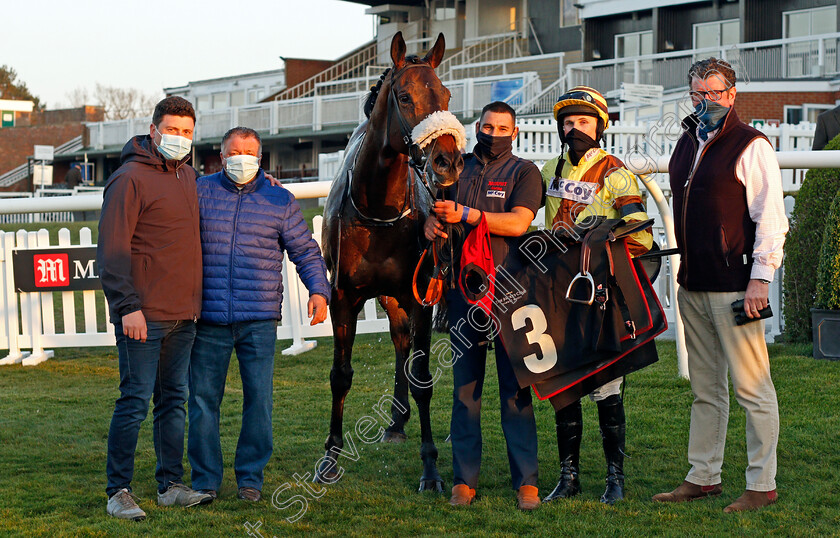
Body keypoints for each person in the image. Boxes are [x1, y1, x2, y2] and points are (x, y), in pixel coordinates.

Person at [653, 57, 788, 513]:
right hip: (692, 283)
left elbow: (771, 221)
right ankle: (704, 475)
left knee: (753, 388)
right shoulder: (687, 139)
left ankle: (761, 483)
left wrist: (760, 282)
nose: (704, 101)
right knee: (705, 389)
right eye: (696, 93)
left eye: (713, 93)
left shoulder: (752, 145)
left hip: (736, 285)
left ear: (731, 94)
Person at [187, 127, 330, 503]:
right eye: (234, 152)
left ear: (260, 158)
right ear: (222, 157)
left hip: (259, 319)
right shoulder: (199, 191)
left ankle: (251, 477)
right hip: (208, 318)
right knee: (202, 401)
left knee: (259, 400)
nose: (241, 158)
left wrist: (319, 290)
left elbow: (305, 250)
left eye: (249, 153)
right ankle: (205, 480)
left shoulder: (279, 200)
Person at [424, 101, 544, 511]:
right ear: (477, 127)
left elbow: (517, 223)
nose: (494, 133)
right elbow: (438, 213)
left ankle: (526, 482)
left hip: (511, 291)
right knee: (465, 390)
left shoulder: (525, 172)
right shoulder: (457, 166)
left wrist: (468, 214)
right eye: (488, 126)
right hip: (463, 291)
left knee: (516, 390)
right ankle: (464, 481)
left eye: (503, 128)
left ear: (515, 133)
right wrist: (432, 221)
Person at [97, 96, 211, 521]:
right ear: (154, 131)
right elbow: (112, 250)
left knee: (173, 401)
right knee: (134, 401)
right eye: (173, 130)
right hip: (142, 315)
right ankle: (118, 491)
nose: (180, 138)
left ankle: (170, 485)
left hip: (184, 315)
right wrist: (127, 307)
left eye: (187, 132)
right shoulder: (129, 179)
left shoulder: (188, 176)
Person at [540, 86, 652, 505]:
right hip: (558, 295)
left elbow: (639, 230)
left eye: (583, 122)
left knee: (607, 385)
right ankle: (568, 478)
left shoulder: (615, 171)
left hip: (601, 294)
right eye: (568, 122)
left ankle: (614, 478)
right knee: (563, 384)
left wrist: (598, 237)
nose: (574, 129)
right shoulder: (548, 169)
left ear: (600, 127)